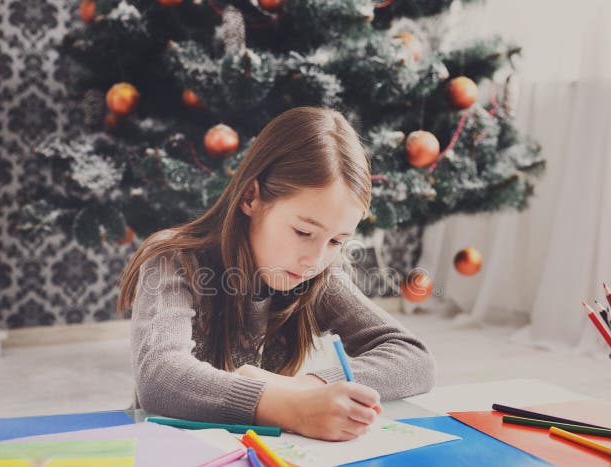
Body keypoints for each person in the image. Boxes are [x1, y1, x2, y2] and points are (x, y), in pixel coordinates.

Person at [118, 106, 436, 441]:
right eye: (302, 232)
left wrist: (308, 387)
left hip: (263, 456)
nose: (315, 258)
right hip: (166, 451)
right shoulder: (173, 260)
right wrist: (291, 407)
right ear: (250, 197)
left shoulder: (316, 275)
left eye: (337, 240)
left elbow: (413, 357)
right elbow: (160, 377)